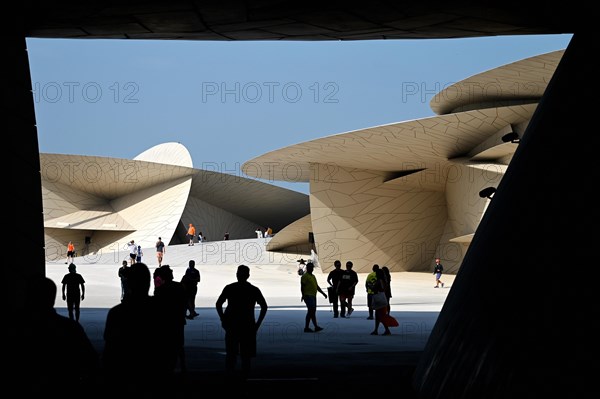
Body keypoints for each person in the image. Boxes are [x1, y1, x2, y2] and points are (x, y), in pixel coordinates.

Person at [10, 276, 98, 395]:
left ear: (27, 297)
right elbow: (91, 362)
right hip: (64, 387)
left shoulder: (16, 329)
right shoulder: (71, 329)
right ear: (52, 299)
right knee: (75, 309)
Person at [103, 263, 172, 393]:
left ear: (129, 283)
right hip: (154, 376)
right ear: (149, 283)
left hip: (125, 377)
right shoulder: (161, 310)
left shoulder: (117, 313)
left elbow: (110, 351)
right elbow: (168, 344)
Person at [215, 264, 268, 381]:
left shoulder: (230, 288)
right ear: (248, 276)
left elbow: (219, 304)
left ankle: (230, 379)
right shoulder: (254, 290)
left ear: (237, 275)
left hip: (232, 325)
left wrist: (223, 319)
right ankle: (244, 380)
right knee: (246, 357)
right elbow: (264, 307)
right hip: (248, 326)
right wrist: (257, 324)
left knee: (231, 355)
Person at [154, 265, 188, 374]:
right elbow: (184, 303)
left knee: (166, 346)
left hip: (166, 322)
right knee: (179, 346)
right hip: (177, 320)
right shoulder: (179, 287)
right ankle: (182, 367)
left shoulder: (160, 290)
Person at [300, 262, 327, 332]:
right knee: (311, 311)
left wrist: (323, 293)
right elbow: (302, 287)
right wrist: (303, 295)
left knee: (312, 311)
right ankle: (308, 327)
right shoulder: (305, 276)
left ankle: (313, 327)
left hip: (313, 296)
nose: (311, 268)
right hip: (308, 296)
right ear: (307, 268)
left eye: (312, 267)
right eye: (309, 267)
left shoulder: (313, 276)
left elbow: (316, 286)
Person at [371, 268, 392, 336]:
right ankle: (377, 330)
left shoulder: (380, 280)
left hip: (380, 299)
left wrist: (372, 286)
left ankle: (384, 330)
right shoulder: (384, 280)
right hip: (382, 298)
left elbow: (381, 288)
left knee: (380, 315)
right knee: (379, 315)